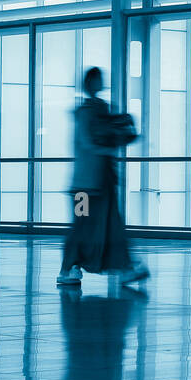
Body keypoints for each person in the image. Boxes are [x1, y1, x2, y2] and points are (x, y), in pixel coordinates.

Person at [57, 67, 149, 286]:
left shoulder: (99, 110)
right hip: (85, 185)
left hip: (98, 183)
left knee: (109, 225)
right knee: (82, 225)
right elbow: (88, 142)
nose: (101, 83)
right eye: (97, 79)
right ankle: (68, 268)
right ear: (89, 83)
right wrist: (110, 147)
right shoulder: (86, 113)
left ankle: (122, 267)